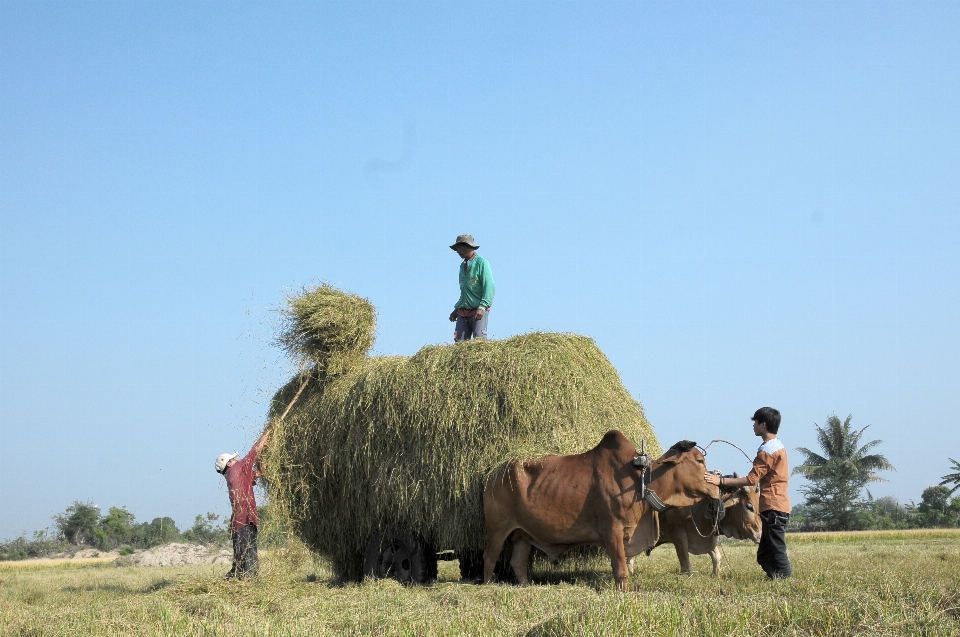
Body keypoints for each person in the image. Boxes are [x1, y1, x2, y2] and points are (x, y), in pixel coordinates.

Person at [704, 407, 792, 579]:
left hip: (774, 507)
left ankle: (786, 580)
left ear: (763, 425)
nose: (753, 426)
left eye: (755, 422)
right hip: (777, 505)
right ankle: (775, 579)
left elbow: (752, 479)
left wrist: (720, 481)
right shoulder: (778, 446)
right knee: (763, 556)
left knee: (777, 551)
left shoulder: (767, 450)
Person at [215, 427, 270, 580]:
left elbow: (259, 473)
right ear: (228, 464)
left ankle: (233, 582)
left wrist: (264, 457)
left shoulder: (235, 475)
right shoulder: (237, 470)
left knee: (240, 562)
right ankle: (247, 587)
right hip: (244, 521)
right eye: (233, 459)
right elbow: (255, 451)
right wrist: (268, 432)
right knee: (249, 560)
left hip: (239, 524)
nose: (236, 460)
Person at [448, 234, 495, 341]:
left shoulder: (481, 263)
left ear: (466, 246)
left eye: (458, 248)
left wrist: (482, 307)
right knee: (460, 342)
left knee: (479, 340)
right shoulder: (462, 266)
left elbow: (489, 286)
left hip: (478, 310)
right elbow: (465, 292)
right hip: (463, 311)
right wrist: (457, 309)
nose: (457, 251)